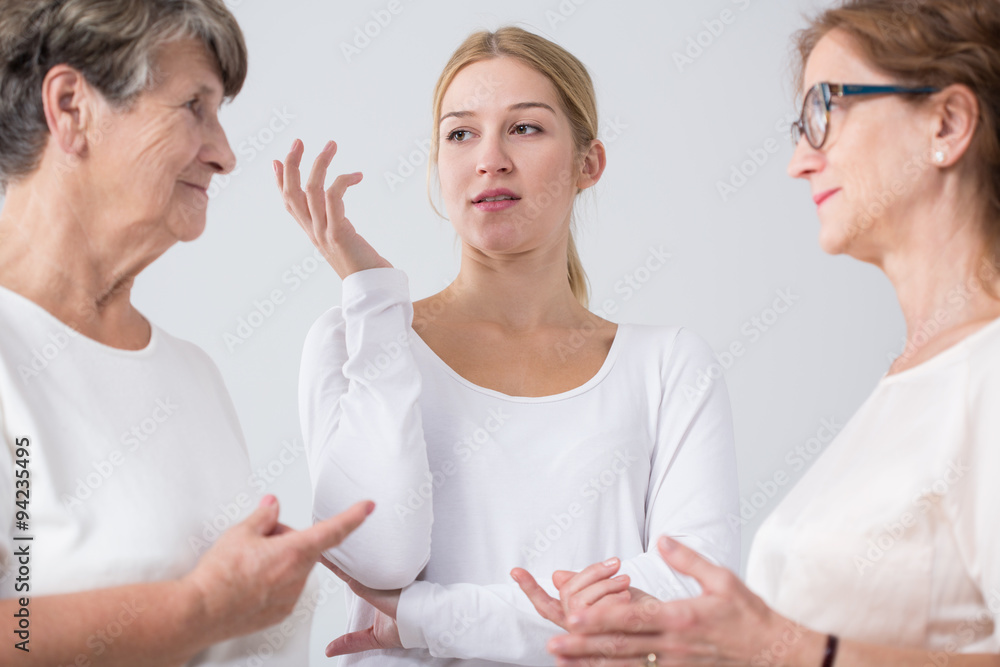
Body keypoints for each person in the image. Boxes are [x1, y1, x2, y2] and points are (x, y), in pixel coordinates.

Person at [520, 0, 1000, 665]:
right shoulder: (911, 384)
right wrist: (680, 642)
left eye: (825, 111)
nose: (799, 161)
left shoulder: (987, 371)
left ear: (946, 122)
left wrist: (789, 649)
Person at [274, 26, 740, 666]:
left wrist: (424, 617)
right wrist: (374, 298)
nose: (490, 158)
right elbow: (379, 559)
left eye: (525, 128)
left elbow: (692, 599)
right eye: (460, 134)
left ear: (588, 164)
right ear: (438, 165)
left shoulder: (669, 366)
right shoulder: (352, 338)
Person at [0, 1, 371, 665]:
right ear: (72, 108)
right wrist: (198, 608)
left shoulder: (190, 373)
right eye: (194, 106)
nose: (225, 154)